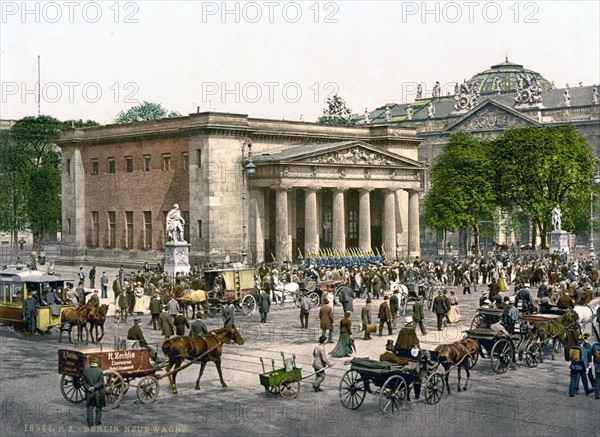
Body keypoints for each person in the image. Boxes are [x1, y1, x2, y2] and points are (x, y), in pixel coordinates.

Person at [81, 357, 105, 426]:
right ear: (96, 364)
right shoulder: (99, 371)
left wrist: (89, 388)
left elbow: (83, 382)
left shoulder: (85, 371)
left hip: (89, 393)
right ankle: (97, 421)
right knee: (98, 407)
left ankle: (90, 422)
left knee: (89, 407)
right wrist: (94, 387)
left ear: (91, 364)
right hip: (97, 392)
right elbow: (101, 382)